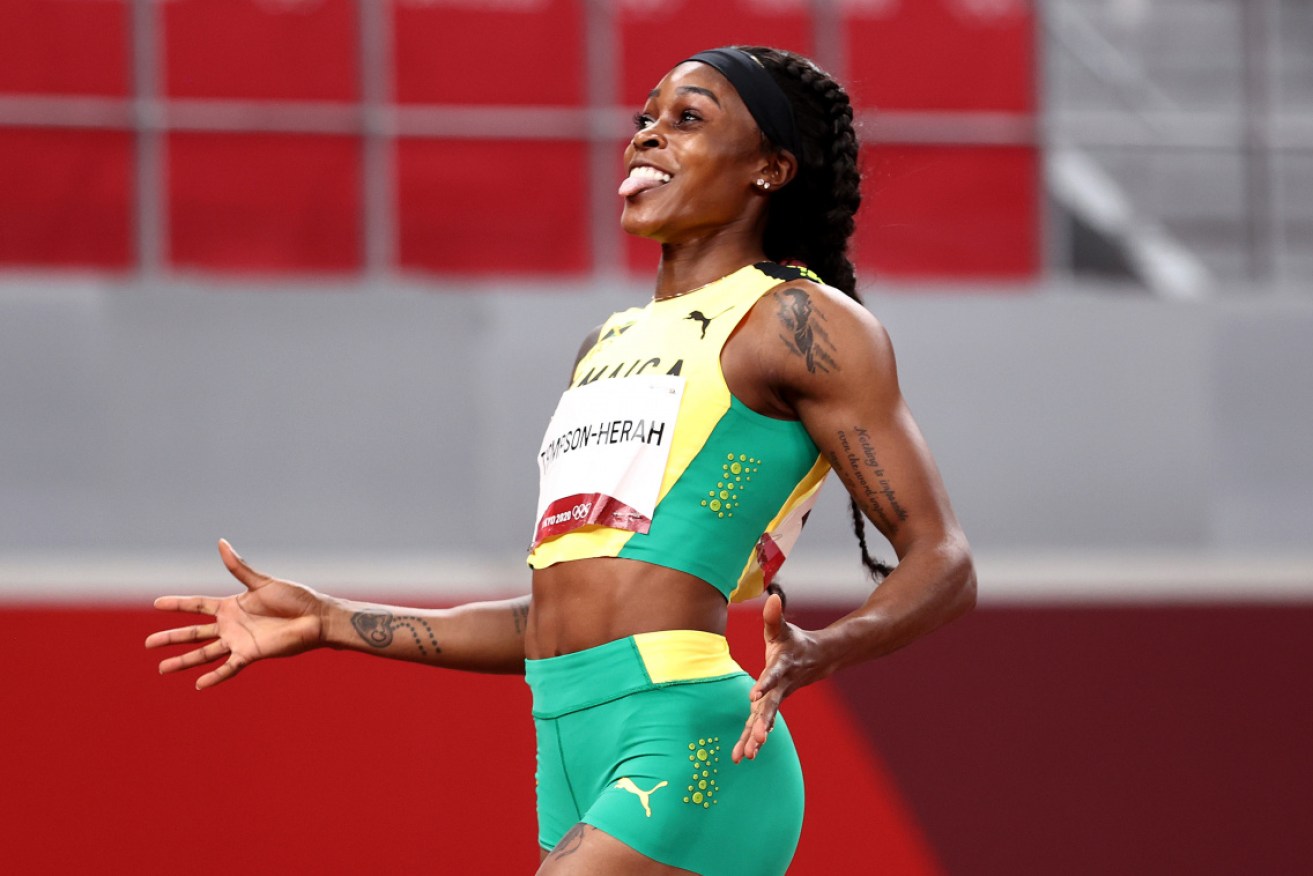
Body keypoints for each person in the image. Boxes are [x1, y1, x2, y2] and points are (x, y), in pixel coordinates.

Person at [147, 46, 976, 875]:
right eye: (643, 119)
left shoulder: (798, 321)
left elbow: (941, 562)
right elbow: (556, 623)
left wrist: (826, 647)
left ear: (770, 168)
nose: (646, 137)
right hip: (567, 746)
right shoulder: (604, 345)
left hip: (689, 739)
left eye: (686, 119)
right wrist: (331, 621)